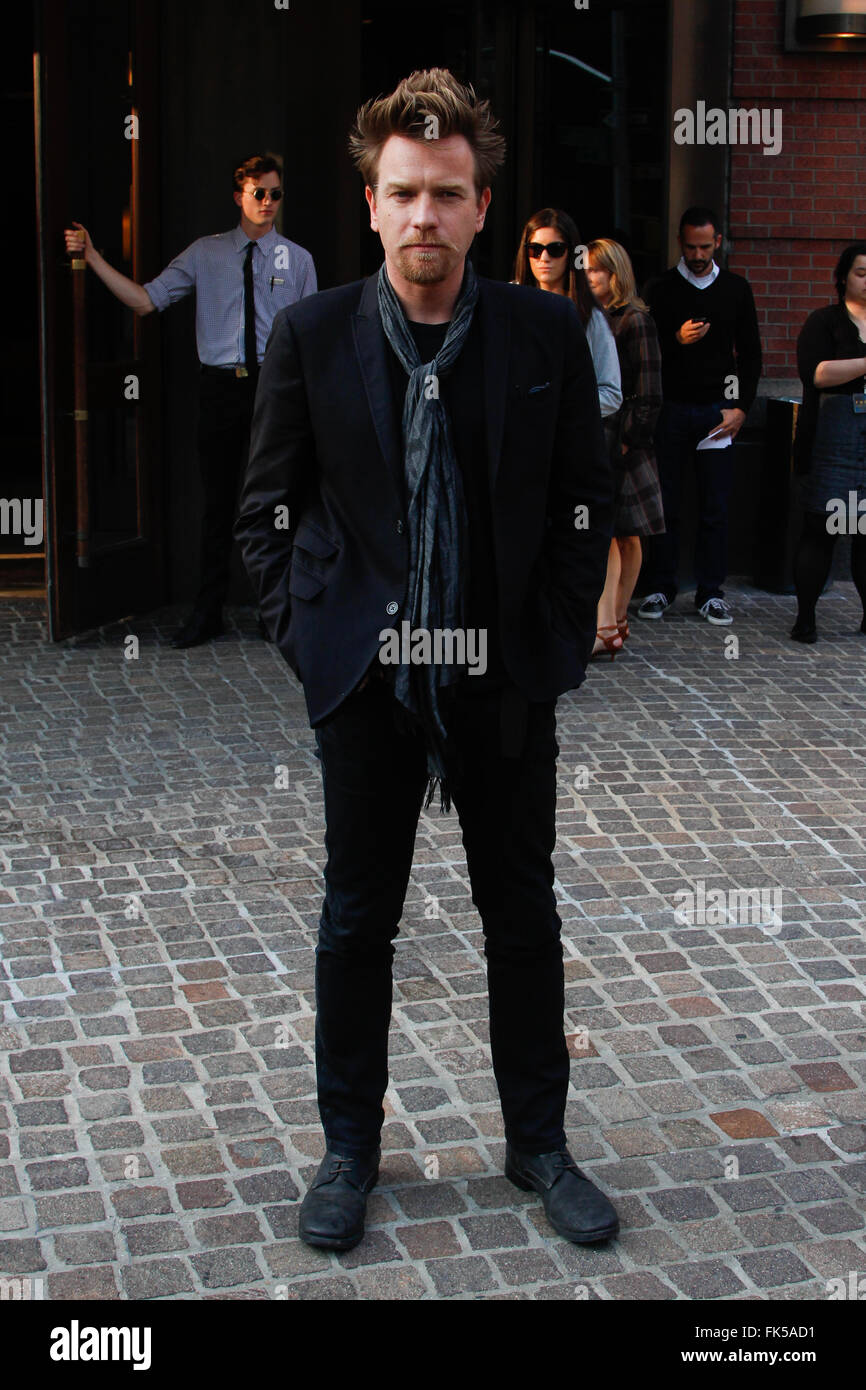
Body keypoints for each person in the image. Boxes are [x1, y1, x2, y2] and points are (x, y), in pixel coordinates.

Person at [234, 69, 619, 1253]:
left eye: (446, 195)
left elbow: (580, 505)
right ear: (368, 203)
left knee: (521, 914)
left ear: (481, 205)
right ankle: (349, 1149)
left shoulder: (545, 328)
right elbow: (263, 513)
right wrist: (316, 645)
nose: (422, 217)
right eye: (401, 193)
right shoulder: (309, 333)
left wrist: (549, 644)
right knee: (358, 920)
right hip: (370, 682)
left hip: (500, 679)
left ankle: (538, 1144)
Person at [64, 155, 317, 648]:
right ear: (238, 195)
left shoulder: (298, 260)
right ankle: (209, 612)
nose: (267, 203)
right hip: (221, 387)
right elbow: (146, 300)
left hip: (274, 389)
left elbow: (311, 335)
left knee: (278, 502)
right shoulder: (207, 254)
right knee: (218, 505)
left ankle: (276, 612)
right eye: (258, 193)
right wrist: (92, 258)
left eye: (275, 194)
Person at [638, 206, 762, 625]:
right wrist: (675, 338)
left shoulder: (735, 289)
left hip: (717, 412)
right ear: (680, 242)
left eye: (704, 246)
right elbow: (646, 353)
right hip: (670, 409)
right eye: (690, 246)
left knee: (716, 506)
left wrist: (742, 408)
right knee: (665, 504)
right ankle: (660, 587)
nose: (697, 253)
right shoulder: (660, 289)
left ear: (718, 243)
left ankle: (711, 591)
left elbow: (751, 354)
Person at [513, 210, 622, 655]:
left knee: (568, 541)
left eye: (554, 249)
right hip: (515, 449)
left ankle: (574, 631)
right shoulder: (508, 303)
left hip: (565, 453)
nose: (543, 258)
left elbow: (612, 391)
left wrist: (559, 411)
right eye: (534, 248)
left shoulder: (587, 317)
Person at [586, 239, 664, 659]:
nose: (589, 277)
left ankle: (614, 621)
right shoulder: (592, 316)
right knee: (616, 533)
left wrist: (631, 440)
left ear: (615, 274)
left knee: (625, 535)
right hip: (602, 437)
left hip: (626, 439)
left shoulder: (634, 321)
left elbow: (650, 392)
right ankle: (612, 624)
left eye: (597, 270)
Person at [790, 242, 866, 643]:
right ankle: (806, 618)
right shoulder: (825, 322)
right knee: (822, 527)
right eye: (861, 272)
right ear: (843, 278)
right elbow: (816, 373)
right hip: (833, 438)